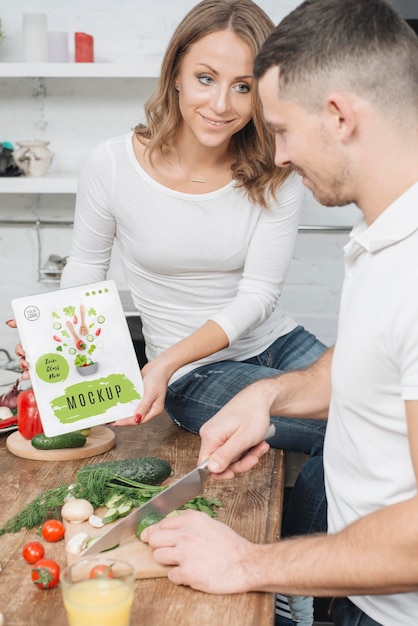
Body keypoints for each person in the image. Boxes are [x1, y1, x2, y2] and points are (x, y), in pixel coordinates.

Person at [9, 2, 327, 624]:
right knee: (358, 430)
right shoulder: (113, 164)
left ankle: (297, 582)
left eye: (243, 87)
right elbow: (84, 269)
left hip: (278, 348)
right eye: (206, 78)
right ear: (176, 72)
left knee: (376, 426)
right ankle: (293, 591)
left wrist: (162, 360)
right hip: (195, 379)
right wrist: (50, 339)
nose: (222, 105)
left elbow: (257, 297)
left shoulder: (275, 172)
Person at [140, 1, 418, 625]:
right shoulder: (385, 236)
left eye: (283, 129)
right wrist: (269, 396)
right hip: (353, 585)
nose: (281, 156)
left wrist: (247, 564)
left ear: (340, 117)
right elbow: (371, 365)